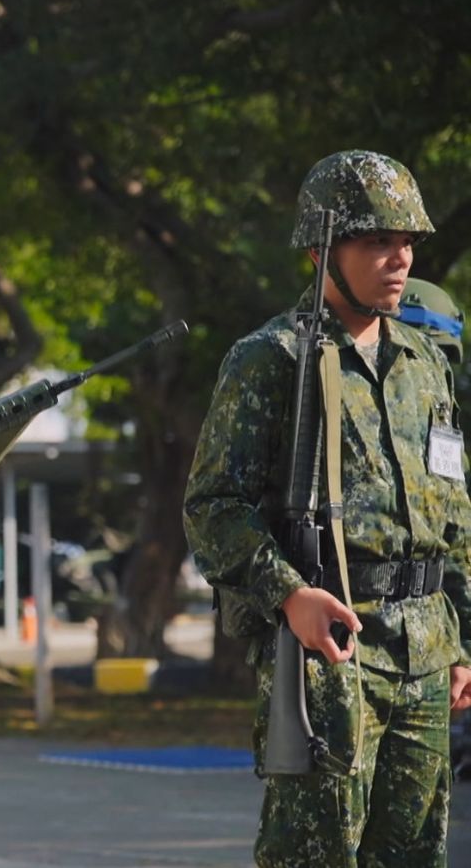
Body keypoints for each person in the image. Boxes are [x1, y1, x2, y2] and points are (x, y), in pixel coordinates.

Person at [184, 149, 471, 867]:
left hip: (428, 654)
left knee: (414, 855)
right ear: (321, 250)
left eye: (407, 242)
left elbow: (453, 512)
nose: (399, 259)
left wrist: (463, 638)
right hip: (331, 650)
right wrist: (290, 595)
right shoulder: (271, 359)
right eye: (377, 240)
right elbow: (213, 506)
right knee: (314, 856)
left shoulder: (425, 362)